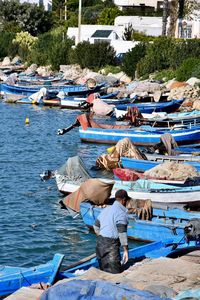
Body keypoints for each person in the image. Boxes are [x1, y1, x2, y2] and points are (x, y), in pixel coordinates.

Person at [93, 189, 129, 274]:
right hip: (111, 247)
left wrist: (102, 237)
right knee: (114, 273)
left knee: (103, 271)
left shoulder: (106, 209)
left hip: (100, 244)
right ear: (124, 200)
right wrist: (126, 251)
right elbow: (122, 234)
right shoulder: (121, 213)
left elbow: (96, 226)